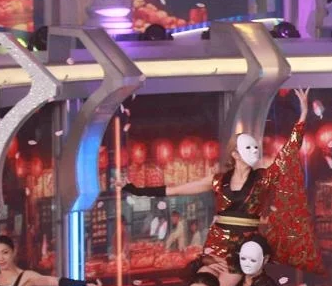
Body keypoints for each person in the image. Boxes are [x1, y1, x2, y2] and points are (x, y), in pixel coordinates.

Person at [123, 90, 321, 274]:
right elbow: (176, 190)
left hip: (246, 248)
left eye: (255, 148)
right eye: (248, 148)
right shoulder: (218, 180)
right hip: (217, 245)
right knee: (207, 284)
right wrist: (135, 190)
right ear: (235, 154)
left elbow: (288, 153)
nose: (254, 151)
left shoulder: (263, 178)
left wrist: (303, 116)